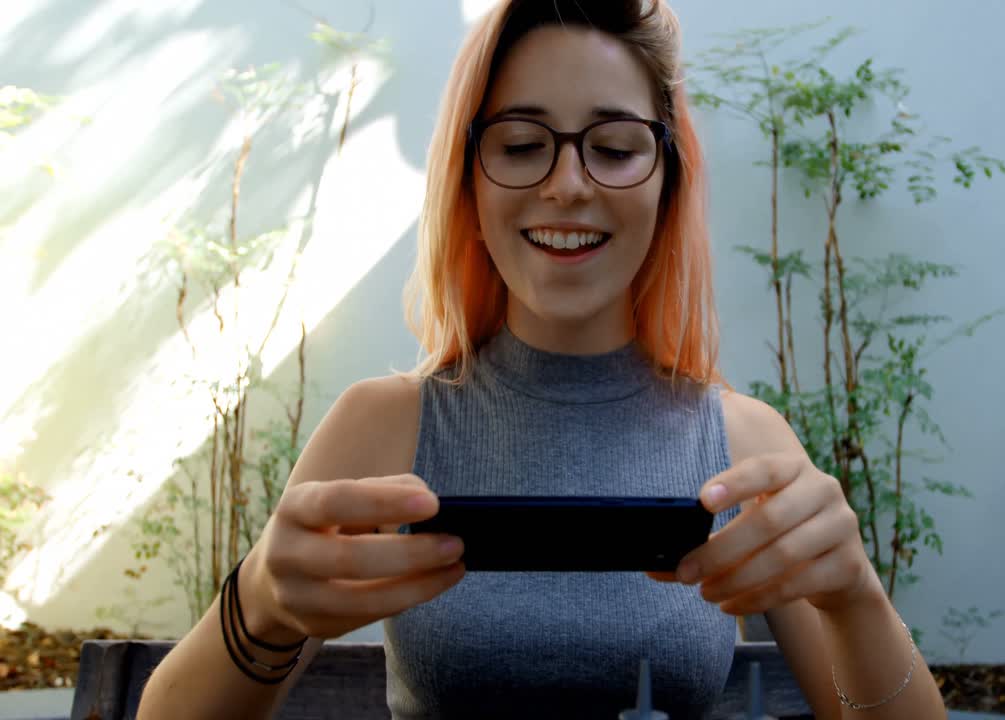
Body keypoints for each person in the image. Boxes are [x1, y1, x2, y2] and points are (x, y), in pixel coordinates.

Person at [137, 1, 948, 718]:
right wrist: (262, 603)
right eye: (522, 145)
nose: (567, 185)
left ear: (669, 177)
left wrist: (855, 597)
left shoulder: (747, 448)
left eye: (616, 147)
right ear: (468, 182)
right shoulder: (381, 428)